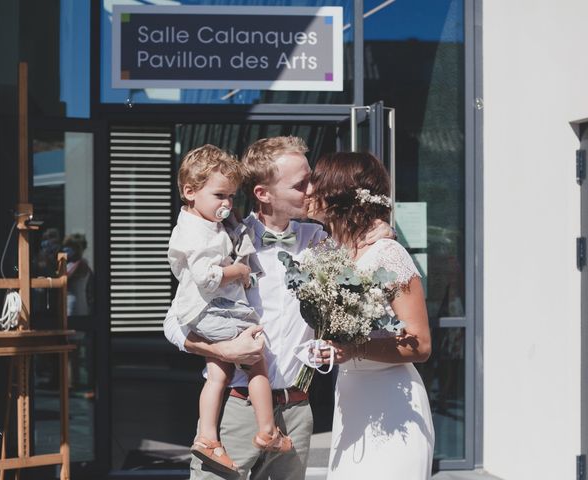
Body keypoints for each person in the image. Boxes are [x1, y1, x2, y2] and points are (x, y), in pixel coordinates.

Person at [164, 136, 395, 480]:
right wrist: (220, 348)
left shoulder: (320, 243)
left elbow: (362, 273)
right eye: (302, 184)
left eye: (312, 180)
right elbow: (174, 323)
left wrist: (379, 230)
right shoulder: (224, 243)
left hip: (297, 410)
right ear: (263, 193)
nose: (313, 190)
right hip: (235, 408)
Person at [306, 151, 435, 479]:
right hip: (349, 400)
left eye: (316, 182)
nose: (308, 190)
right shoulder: (326, 254)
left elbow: (420, 345)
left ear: (338, 191)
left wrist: (357, 349)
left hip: (393, 403)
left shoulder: (388, 254)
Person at [167, 145, 292, 475]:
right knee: (256, 361)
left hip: (209, 311)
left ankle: (207, 436)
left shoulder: (207, 222)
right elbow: (206, 279)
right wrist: (239, 271)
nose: (226, 205)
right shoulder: (195, 232)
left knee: (218, 374)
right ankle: (268, 431)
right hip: (213, 310)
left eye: (232, 197)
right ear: (189, 192)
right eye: (220, 196)